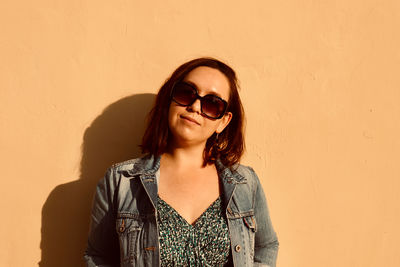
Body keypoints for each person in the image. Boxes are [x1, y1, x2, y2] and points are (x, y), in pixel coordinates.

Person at [84, 57, 279, 267]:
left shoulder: (244, 183)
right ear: (170, 99)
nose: (195, 106)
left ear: (223, 121)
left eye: (212, 104)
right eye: (187, 93)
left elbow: (266, 246)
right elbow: (98, 256)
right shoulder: (121, 182)